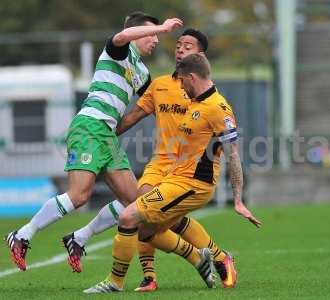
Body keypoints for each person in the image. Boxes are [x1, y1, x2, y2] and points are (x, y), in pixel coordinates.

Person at [4, 12, 183, 271]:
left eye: (156, 34)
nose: (155, 39)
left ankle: (79, 237)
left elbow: (153, 104)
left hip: (106, 135)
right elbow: (123, 35)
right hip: (89, 126)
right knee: (79, 195)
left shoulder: (142, 72)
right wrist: (164, 27)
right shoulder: (118, 50)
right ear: (138, 33)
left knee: (133, 203)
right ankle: (22, 234)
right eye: (151, 33)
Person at [64, 29, 239, 292]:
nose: (180, 49)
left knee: (147, 219)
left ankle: (213, 256)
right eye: (178, 44)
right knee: (141, 214)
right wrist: (102, 133)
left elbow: (223, 140)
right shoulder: (159, 85)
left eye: (187, 46)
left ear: (201, 57)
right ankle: (151, 275)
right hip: (160, 163)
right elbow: (134, 115)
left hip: (185, 171)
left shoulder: (203, 94)